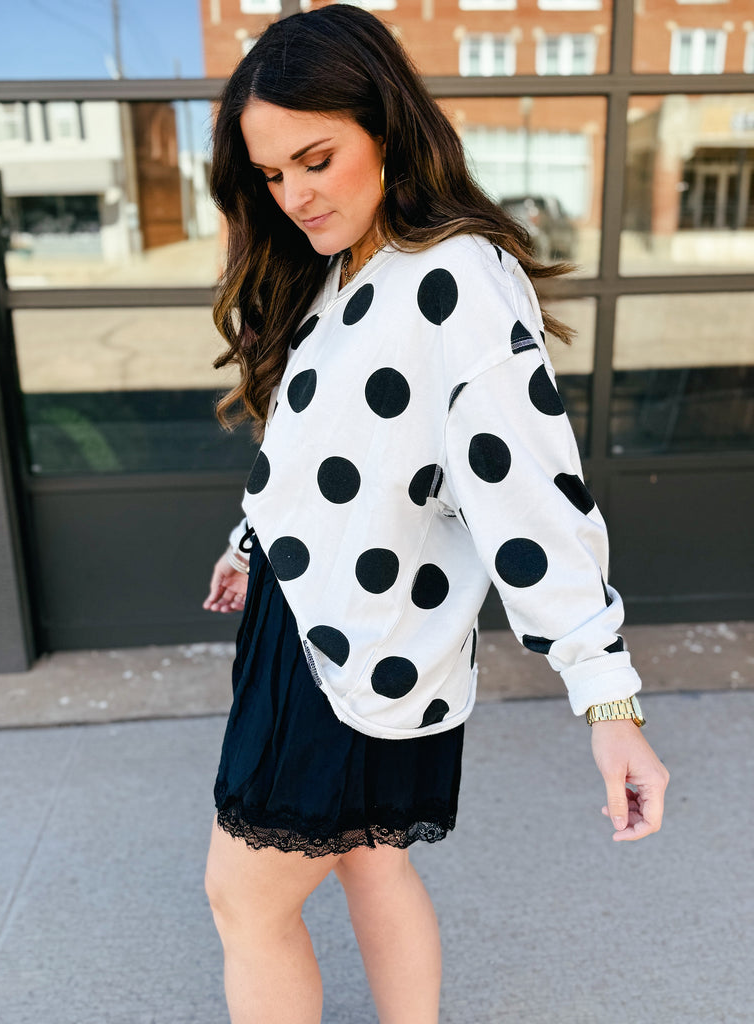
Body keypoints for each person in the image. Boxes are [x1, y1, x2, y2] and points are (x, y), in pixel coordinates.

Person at [202, 6, 669, 1023]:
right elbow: (316, 447)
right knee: (372, 861)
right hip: (314, 614)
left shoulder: (453, 275)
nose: (294, 195)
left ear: (386, 126)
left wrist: (609, 701)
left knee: (243, 898)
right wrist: (249, 541)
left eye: (316, 159)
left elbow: (529, 494)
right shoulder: (340, 269)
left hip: (361, 643)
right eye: (272, 174)